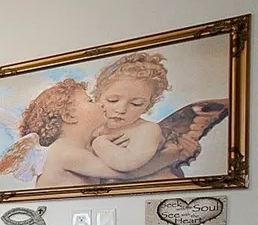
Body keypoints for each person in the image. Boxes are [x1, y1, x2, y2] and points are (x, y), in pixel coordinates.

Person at [90, 53, 211, 181]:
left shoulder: (148, 129)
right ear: (98, 96)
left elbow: (127, 165)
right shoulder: (91, 127)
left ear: (148, 105)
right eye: (112, 100)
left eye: (136, 104)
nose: (121, 110)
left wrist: (99, 143)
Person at [20, 79, 124, 188]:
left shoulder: (78, 149)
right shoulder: (64, 151)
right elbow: (123, 173)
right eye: (90, 101)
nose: (101, 105)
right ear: (69, 116)